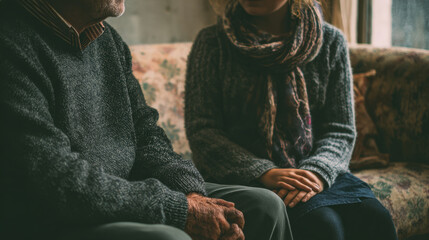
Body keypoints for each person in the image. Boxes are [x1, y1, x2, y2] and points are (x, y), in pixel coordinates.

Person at [0, 0, 252, 239]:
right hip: (52, 218)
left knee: (263, 207)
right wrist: (180, 210)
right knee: (169, 237)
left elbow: (147, 136)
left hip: (129, 193)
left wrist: (191, 193)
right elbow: (55, 180)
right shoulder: (11, 41)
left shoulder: (107, 39)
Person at [185, 0, 399, 239]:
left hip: (312, 171)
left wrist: (317, 173)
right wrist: (263, 172)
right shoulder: (212, 44)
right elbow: (202, 131)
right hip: (243, 176)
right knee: (323, 226)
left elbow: (339, 130)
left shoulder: (330, 42)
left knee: (375, 219)